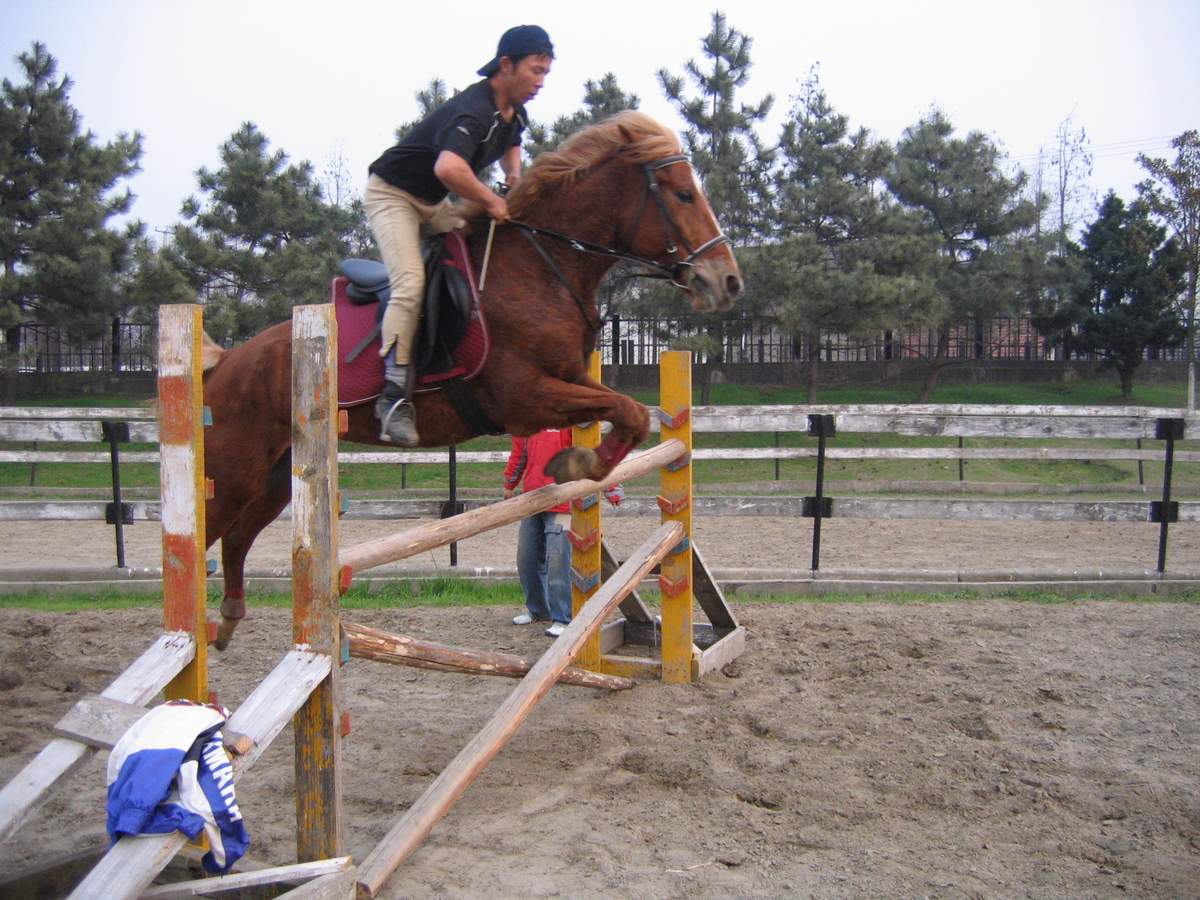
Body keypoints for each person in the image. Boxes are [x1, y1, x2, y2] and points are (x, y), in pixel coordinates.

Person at [365, 25, 555, 446]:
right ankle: (393, 398)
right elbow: (448, 169)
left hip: (431, 204)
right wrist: (491, 200)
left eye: (546, 73)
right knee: (410, 284)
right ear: (506, 65)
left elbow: (513, 141)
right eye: (535, 71)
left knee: (482, 248)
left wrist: (515, 177)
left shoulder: (513, 110)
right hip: (393, 196)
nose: (540, 83)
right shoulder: (473, 110)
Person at [504, 429, 623, 638]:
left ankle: (563, 617)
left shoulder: (571, 417)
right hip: (533, 500)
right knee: (527, 558)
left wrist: (611, 488)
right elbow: (520, 452)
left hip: (565, 502)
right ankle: (538, 610)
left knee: (558, 561)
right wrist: (510, 482)